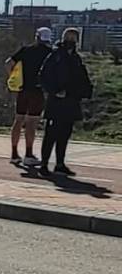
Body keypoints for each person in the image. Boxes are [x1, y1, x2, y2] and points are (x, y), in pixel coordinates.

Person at [38, 28, 93, 177]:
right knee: (51, 134)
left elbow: (82, 78)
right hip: (56, 102)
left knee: (65, 134)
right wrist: (54, 91)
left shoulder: (76, 58)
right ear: (63, 38)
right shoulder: (55, 55)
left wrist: (86, 91)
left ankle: (60, 164)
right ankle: (44, 164)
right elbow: (43, 75)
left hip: (71, 101)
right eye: (68, 38)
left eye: (74, 38)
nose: (71, 41)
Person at [4, 26, 52, 167]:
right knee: (32, 122)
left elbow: (8, 63)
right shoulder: (50, 53)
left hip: (23, 89)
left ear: (37, 37)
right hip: (37, 91)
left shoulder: (25, 50)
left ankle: (14, 154)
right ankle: (29, 154)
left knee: (18, 120)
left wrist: (13, 78)